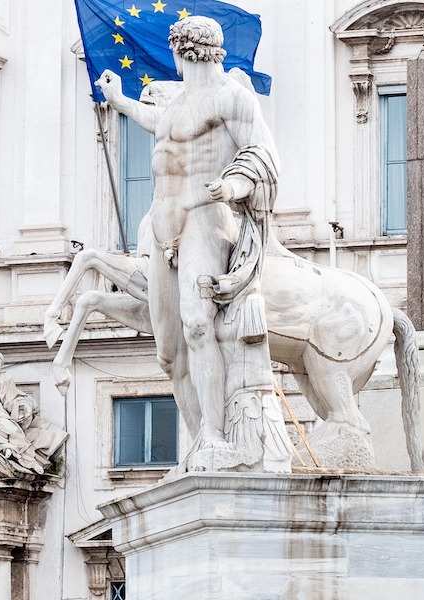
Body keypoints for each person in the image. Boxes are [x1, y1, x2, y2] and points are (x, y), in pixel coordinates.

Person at [94, 16, 280, 452]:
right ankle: (201, 441)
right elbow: (156, 122)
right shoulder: (177, 104)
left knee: (199, 325)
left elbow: (264, 154)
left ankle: (216, 435)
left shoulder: (231, 97)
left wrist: (235, 184)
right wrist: (119, 100)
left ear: (180, 53)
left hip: (204, 217)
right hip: (163, 229)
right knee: (169, 350)